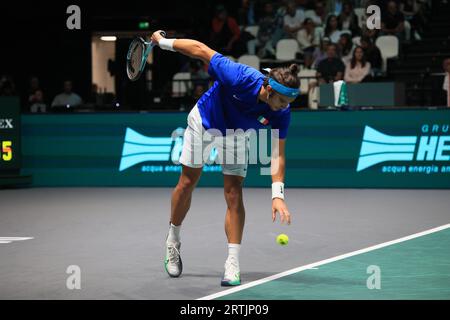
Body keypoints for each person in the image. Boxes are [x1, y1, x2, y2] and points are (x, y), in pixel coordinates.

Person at [150, 29, 298, 286]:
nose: (285, 107)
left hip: (237, 135)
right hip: (205, 122)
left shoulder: (282, 113)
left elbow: (277, 153)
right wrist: (163, 42)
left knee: (233, 193)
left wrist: (278, 194)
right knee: (187, 183)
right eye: (282, 101)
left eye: (289, 102)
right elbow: (199, 48)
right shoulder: (239, 76)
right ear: (268, 89)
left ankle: (232, 262)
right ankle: (173, 238)